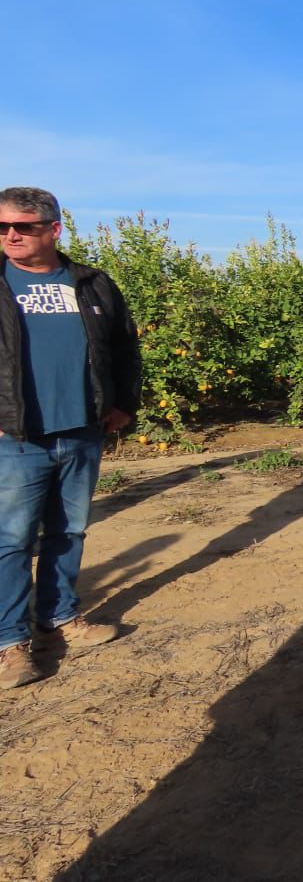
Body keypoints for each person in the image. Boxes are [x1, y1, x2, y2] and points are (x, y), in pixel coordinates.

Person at [0, 187, 141, 690]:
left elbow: (125, 347)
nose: (11, 235)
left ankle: (58, 617)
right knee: (11, 541)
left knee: (69, 531)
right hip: (14, 436)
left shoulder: (92, 283)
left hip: (83, 429)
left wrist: (123, 403)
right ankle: (9, 644)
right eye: (2, 227)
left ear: (54, 229)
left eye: (23, 226)